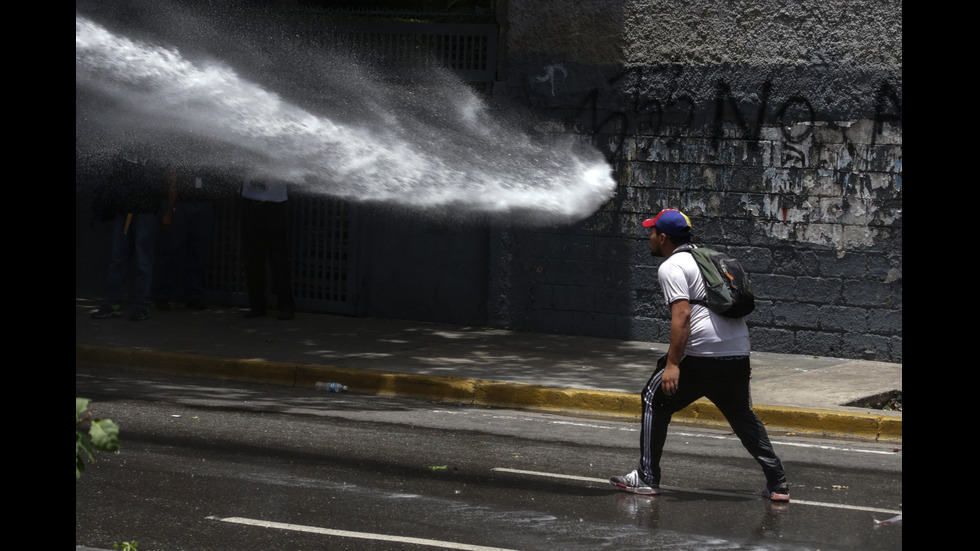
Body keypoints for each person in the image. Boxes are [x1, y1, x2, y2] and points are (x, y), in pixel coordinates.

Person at [609, 209, 790, 502]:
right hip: (736, 352)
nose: (650, 237)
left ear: (664, 237)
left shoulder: (672, 266)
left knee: (653, 398)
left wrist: (672, 364)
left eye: (652, 232)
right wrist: (741, 360)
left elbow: (682, 316)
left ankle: (646, 476)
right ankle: (778, 483)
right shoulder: (712, 260)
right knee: (741, 416)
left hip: (700, 355)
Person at [91, 151, 173, 321]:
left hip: (146, 213)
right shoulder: (125, 147)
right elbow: (115, 175)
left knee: (143, 262)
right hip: (125, 212)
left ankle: (141, 306)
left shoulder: (159, 149)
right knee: (118, 259)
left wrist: (169, 209)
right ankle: (112, 304)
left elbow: (170, 179)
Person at [151, 169, 220, 311]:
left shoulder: (210, 151)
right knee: (170, 250)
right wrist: (170, 208)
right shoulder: (179, 150)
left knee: (198, 251)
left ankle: (194, 296)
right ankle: (162, 295)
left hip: (203, 202)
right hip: (179, 202)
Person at [240, 178, 295, 320]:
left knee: (279, 258)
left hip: (275, 204)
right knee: (252, 258)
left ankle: (286, 306)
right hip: (250, 202)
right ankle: (256, 305)